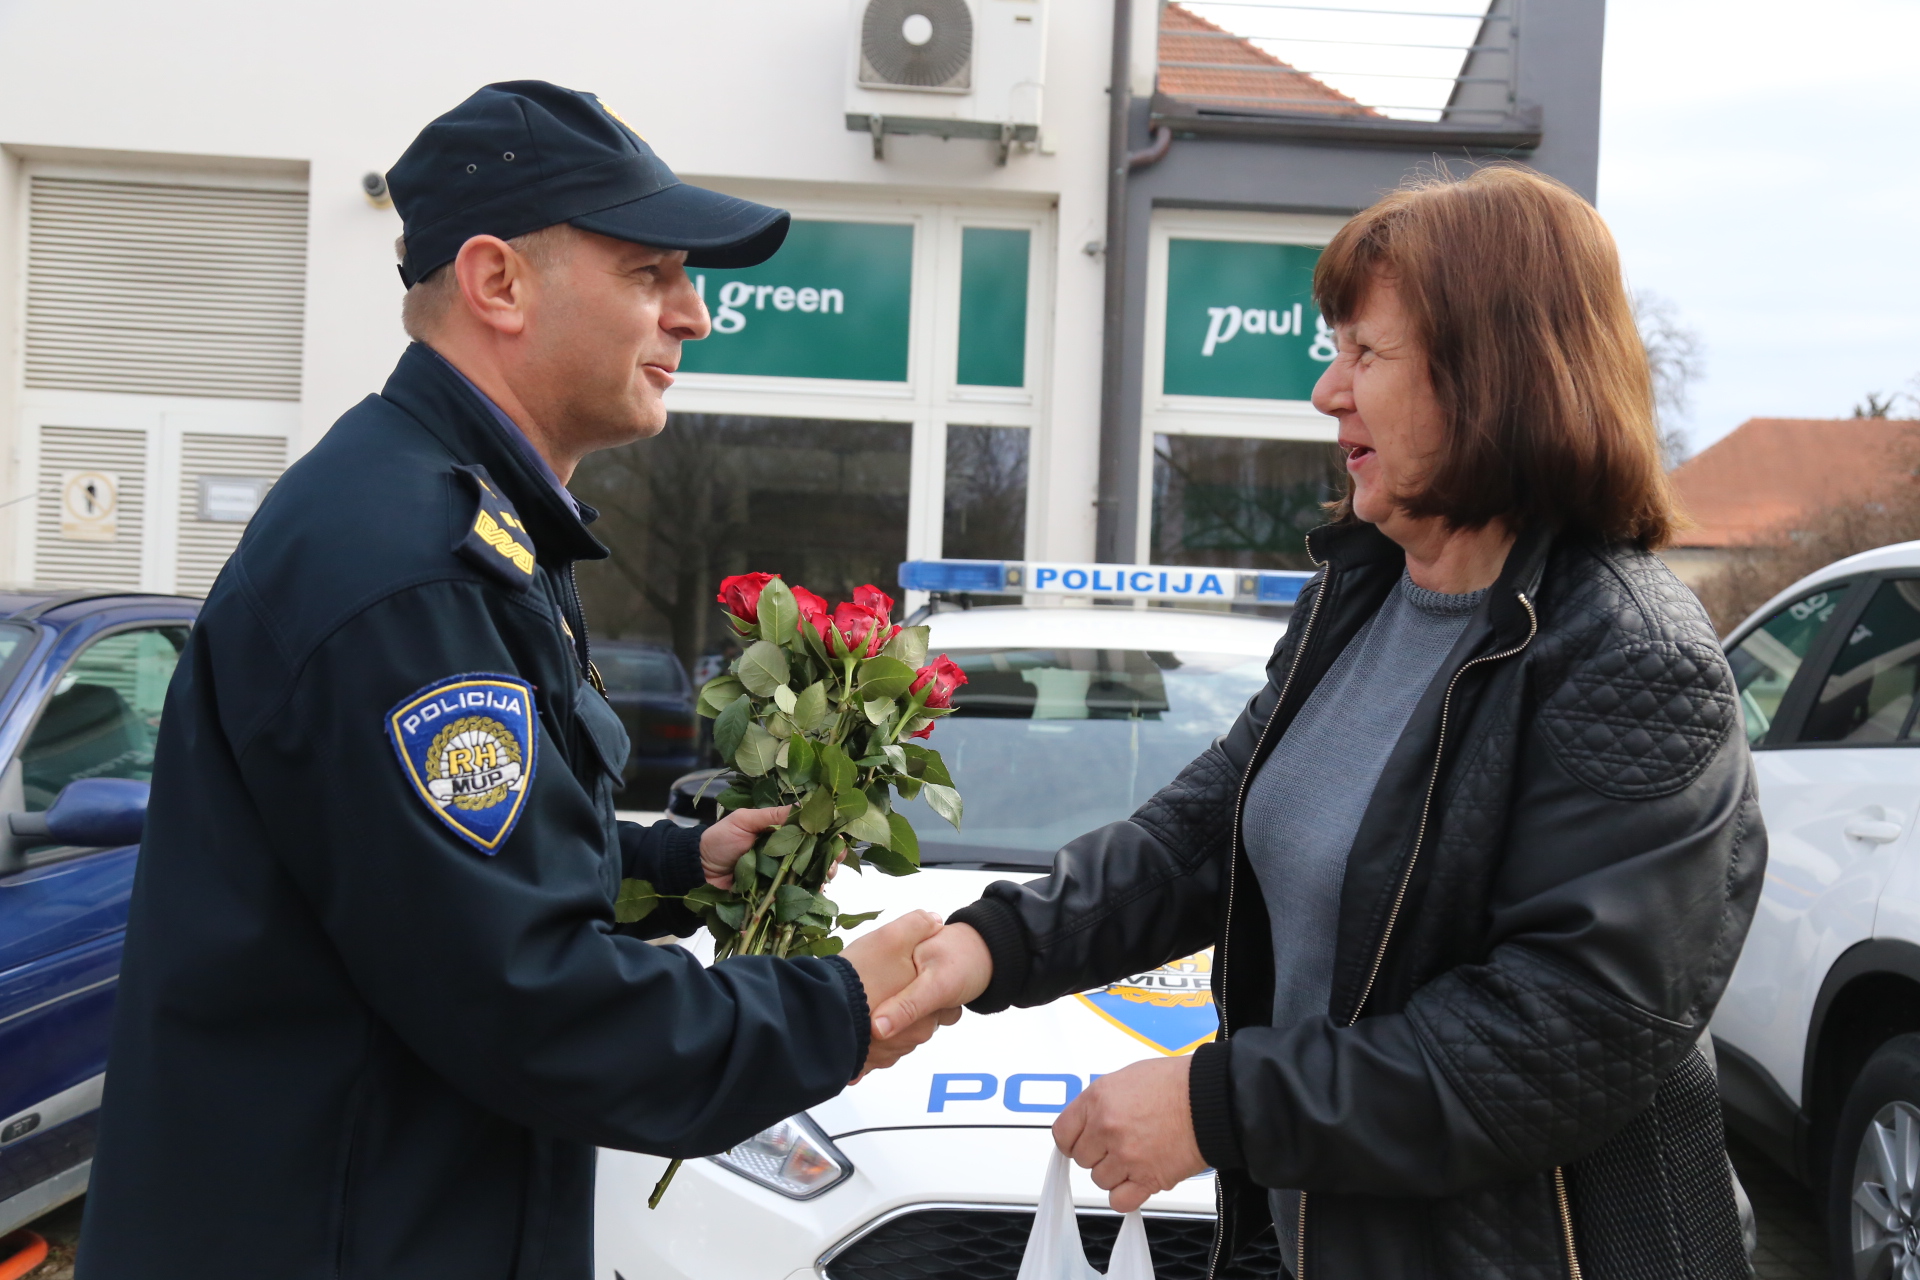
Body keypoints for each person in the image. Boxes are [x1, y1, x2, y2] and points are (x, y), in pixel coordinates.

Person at [78, 81, 952, 1279]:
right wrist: (835, 1009)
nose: (694, 314)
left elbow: (443, 882)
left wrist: (676, 865)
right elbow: (528, 998)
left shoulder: (453, 522)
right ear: (498, 282)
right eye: (650, 271)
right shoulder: (409, 567)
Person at [875, 166, 1765, 1278]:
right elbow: (1206, 832)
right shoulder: (1363, 597)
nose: (1326, 391)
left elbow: (1562, 1038)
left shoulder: (1633, 655)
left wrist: (1217, 1106)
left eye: (1366, 353)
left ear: (1493, 377)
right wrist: (988, 945)